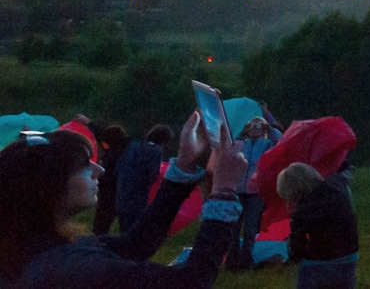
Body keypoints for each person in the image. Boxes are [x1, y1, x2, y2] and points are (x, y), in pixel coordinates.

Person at [0, 113, 244, 288]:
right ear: (49, 187)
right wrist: (223, 194)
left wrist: (183, 165)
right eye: (84, 166)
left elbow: (135, 244)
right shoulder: (71, 268)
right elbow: (190, 282)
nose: (100, 170)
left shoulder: (38, 247)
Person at [279, 162, 359, 289]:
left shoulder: (301, 211)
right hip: (348, 260)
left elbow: (297, 251)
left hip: (317, 265)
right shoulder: (339, 194)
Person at [229, 116, 283, 271]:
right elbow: (230, 145)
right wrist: (242, 131)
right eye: (251, 126)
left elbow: (280, 140)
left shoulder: (267, 145)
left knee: (250, 228)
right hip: (238, 190)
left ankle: (245, 262)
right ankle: (232, 262)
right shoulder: (241, 144)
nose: (254, 128)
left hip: (255, 192)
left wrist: (269, 127)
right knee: (233, 227)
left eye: (257, 126)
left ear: (263, 130)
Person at [116, 125, 170, 233]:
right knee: (133, 227)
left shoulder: (133, 146)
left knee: (123, 226)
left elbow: (119, 166)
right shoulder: (156, 151)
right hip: (139, 194)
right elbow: (153, 174)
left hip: (123, 190)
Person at [90, 125, 129, 236]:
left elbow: (107, 174)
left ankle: (99, 242)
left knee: (101, 223)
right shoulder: (125, 150)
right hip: (118, 192)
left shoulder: (114, 155)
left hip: (110, 193)